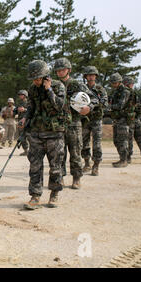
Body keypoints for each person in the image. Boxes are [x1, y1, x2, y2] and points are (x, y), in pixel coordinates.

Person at [19, 60, 66, 210]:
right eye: (34, 78)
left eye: (38, 78)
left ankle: (54, 194)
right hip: (36, 133)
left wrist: (49, 90)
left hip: (54, 133)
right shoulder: (32, 89)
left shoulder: (58, 86)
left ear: (46, 76)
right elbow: (31, 107)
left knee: (55, 167)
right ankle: (35, 196)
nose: (36, 81)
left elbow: (60, 106)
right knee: (35, 166)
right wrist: (26, 117)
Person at [54, 57, 98, 190]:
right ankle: (60, 177)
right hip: (58, 124)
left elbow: (94, 98)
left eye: (63, 69)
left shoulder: (77, 85)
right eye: (58, 70)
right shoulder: (54, 85)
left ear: (69, 70)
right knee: (59, 153)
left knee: (75, 152)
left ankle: (76, 178)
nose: (60, 72)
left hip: (74, 123)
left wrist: (89, 107)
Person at [81, 66, 108, 176]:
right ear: (86, 77)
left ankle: (96, 165)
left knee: (97, 143)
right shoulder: (82, 89)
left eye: (93, 75)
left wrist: (94, 104)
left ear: (96, 76)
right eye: (89, 75)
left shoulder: (100, 89)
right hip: (85, 119)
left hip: (96, 119)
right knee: (84, 142)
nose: (91, 77)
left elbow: (105, 103)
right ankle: (87, 163)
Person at [108, 73, 132, 168]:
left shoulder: (125, 91)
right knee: (116, 140)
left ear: (119, 82)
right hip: (117, 119)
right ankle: (122, 158)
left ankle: (124, 160)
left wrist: (109, 107)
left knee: (122, 140)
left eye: (114, 82)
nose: (112, 84)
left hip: (123, 119)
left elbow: (120, 105)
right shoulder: (117, 91)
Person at [14, 90, 29, 156]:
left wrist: (24, 109)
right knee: (22, 136)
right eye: (19, 95)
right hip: (20, 121)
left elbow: (33, 110)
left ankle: (33, 151)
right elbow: (15, 111)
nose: (20, 96)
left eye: (21, 95)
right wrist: (16, 110)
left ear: (25, 95)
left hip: (28, 121)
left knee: (30, 136)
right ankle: (26, 150)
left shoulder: (29, 102)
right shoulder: (19, 103)